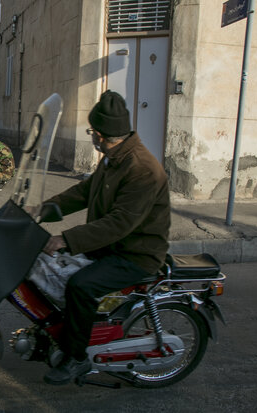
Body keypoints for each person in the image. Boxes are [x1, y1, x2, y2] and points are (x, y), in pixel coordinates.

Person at [41, 90, 171, 385]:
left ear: (98, 134)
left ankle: (75, 359)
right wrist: (42, 210)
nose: (91, 136)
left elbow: (119, 223)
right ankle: (74, 330)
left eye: (91, 132)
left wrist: (65, 239)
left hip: (136, 254)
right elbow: (84, 193)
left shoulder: (142, 169)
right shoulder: (113, 158)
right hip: (113, 245)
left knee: (80, 286)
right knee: (53, 268)